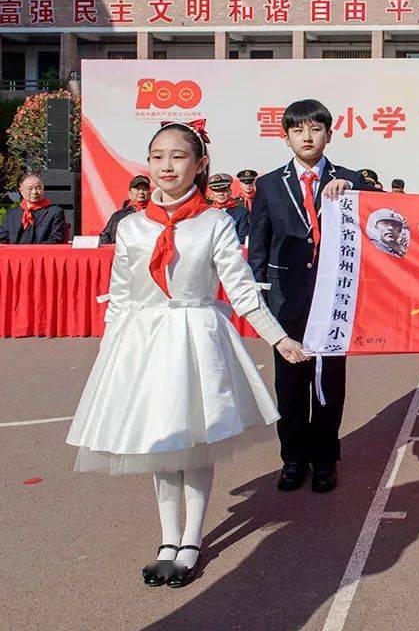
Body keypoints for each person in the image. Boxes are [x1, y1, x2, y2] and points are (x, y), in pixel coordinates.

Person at [66, 120, 309, 589]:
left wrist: (279, 338)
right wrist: (110, 354)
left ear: (199, 165)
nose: (165, 166)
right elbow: (119, 296)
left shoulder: (214, 223)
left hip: (196, 337)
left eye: (178, 156)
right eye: (157, 156)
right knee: (161, 442)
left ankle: (192, 539)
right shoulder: (132, 228)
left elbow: (242, 294)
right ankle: (166, 539)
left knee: (194, 440)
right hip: (144, 343)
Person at [248, 99, 374, 494]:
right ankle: (292, 459)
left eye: (315, 128)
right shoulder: (268, 184)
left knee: (328, 383)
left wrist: (355, 190)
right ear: (285, 137)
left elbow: (381, 214)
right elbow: (259, 248)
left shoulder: (350, 178)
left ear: (329, 134)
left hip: (333, 301)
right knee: (290, 384)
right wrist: (263, 305)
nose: (307, 136)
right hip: (286, 302)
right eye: (298, 130)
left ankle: (324, 459)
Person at [0, 172, 66, 244]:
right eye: (30, 189)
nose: (34, 192)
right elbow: (3, 239)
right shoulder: (12, 213)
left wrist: (34, 252)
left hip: (43, 253)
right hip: (15, 254)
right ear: (21, 191)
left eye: (38, 188)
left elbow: (56, 239)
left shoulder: (55, 212)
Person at [99, 175, 151, 245]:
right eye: (137, 189)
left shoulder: (155, 214)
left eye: (144, 189)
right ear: (129, 193)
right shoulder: (117, 215)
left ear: (149, 193)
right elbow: (104, 235)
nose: (141, 192)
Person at [208, 173, 250, 241]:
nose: (221, 193)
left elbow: (243, 238)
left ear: (230, 192)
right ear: (212, 194)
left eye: (224, 190)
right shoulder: (206, 213)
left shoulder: (241, 213)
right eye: (217, 191)